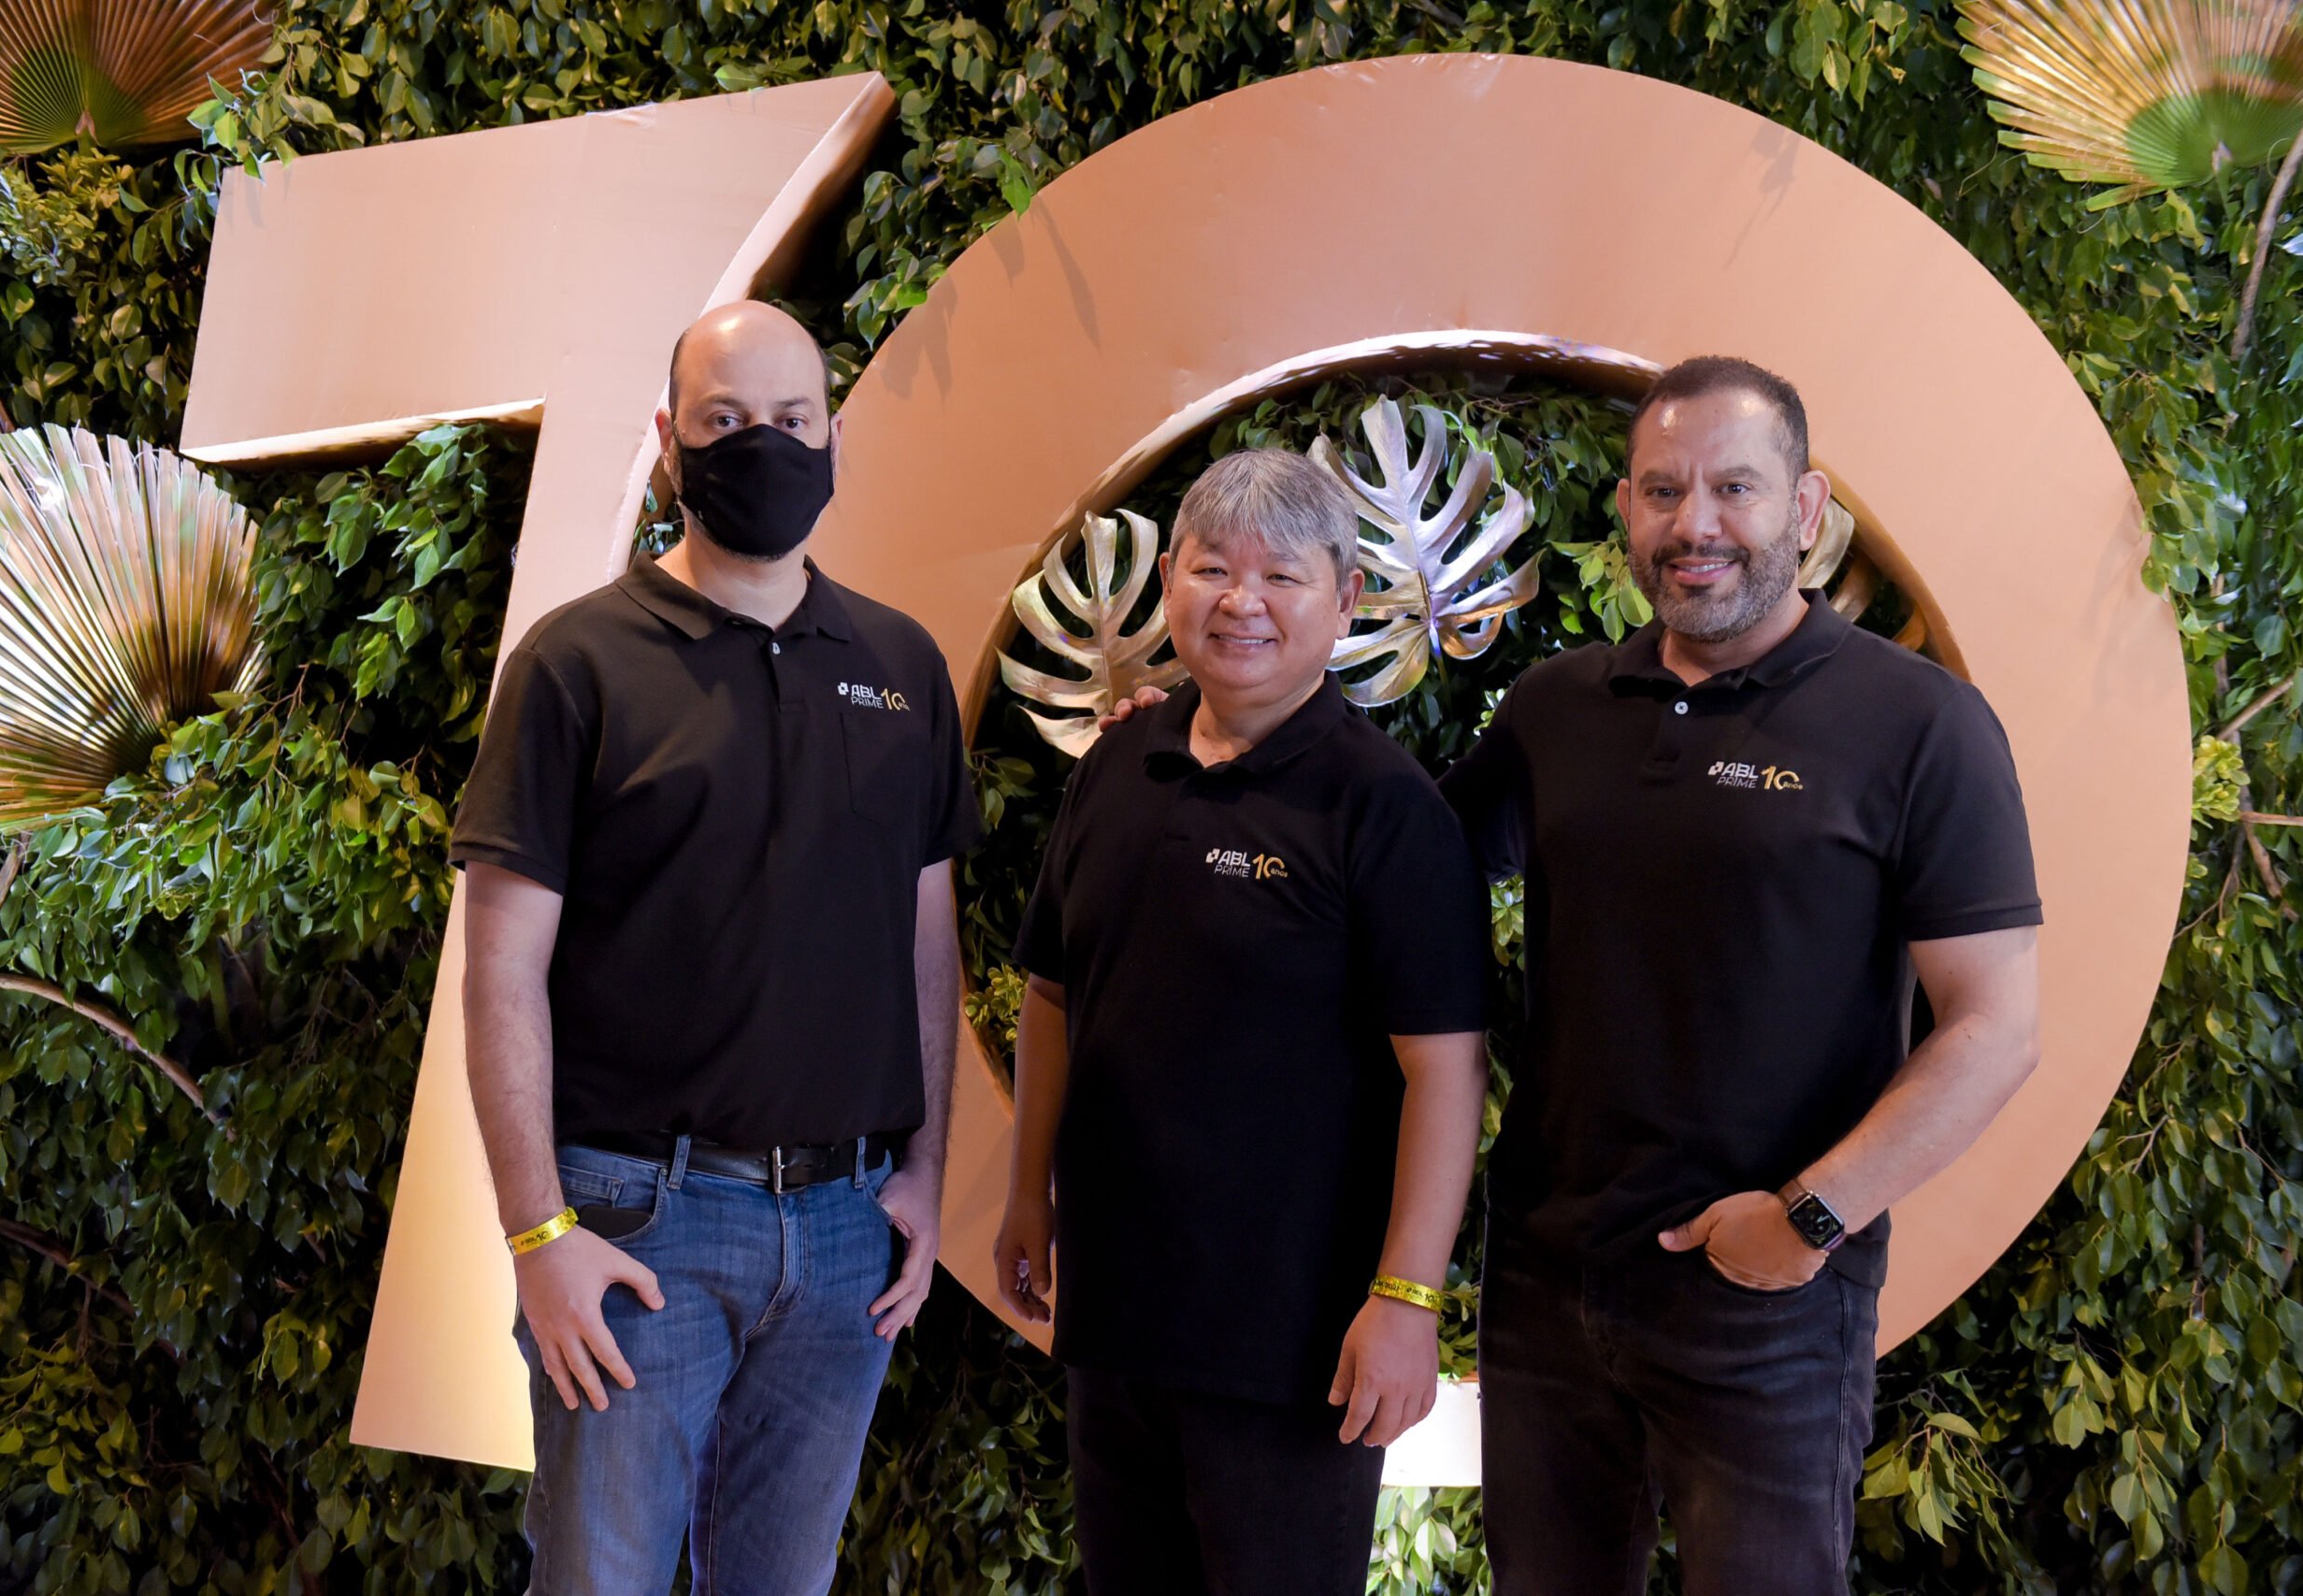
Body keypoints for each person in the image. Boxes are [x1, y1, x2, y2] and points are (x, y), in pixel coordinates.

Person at [1439, 356, 2044, 1594]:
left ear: (1808, 508)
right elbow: (1392, 872)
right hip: (1548, 1282)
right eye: (1663, 491)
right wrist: (1213, 732)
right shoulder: (1556, 709)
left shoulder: (1918, 723)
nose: (1694, 523)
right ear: (1626, 511)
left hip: (1764, 1300)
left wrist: (1810, 1217)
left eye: (1735, 488)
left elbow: (1996, 1024)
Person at [451, 300, 981, 1594]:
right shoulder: (577, 663)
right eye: (725, 422)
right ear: (668, 442)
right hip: (640, 1219)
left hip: (850, 1231)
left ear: (834, 436)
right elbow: (500, 965)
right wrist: (537, 1232)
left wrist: (924, 1168)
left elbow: (927, 937)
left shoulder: (902, 664)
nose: (765, 445)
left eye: (792, 420)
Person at [993, 447, 1493, 1596]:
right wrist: (1028, 1193)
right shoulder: (1120, 760)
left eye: (1281, 577)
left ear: (1347, 595)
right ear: (1170, 580)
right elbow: (1054, 992)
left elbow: (1445, 1073)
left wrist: (1406, 1298)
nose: (1242, 602)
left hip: (1293, 1348)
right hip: (1116, 1320)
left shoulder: (1387, 810)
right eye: (1214, 568)